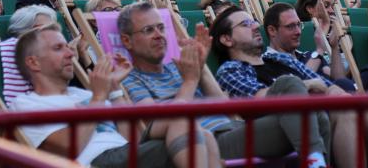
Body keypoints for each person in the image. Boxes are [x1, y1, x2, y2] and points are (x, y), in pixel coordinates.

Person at [117, 3, 329, 164]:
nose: (159, 35)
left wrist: (201, 67)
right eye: (149, 30)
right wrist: (190, 80)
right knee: (293, 90)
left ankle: (317, 163)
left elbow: (225, 108)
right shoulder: (130, 78)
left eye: (161, 28)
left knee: (316, 114)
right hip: (207, 143)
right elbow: (158, 122)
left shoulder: (180, 65)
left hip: (232, 129)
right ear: (126, 40)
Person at [11, 23, 220, 167]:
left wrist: (114, 89)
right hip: (96, 162)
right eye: (58, 48)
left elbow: (132, 138)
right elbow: (69, 148)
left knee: (201, 133)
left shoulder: (81, 93)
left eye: (68, 47)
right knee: (193, 139)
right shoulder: (26, 104)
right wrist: (98, 98)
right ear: (33, 62)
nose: (70, 53)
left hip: (125, 153)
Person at [211, 6, 368, 168]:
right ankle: (315, 162)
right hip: (267, 129)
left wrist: (331, 92)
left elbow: (329, 88)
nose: (255, 26)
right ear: (227, 39)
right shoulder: (231, 69)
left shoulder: (282, 59)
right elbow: (260, 100)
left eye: (254, 21)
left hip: (316, 120)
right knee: (291, 85)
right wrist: (305, 85)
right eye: (245, 24)